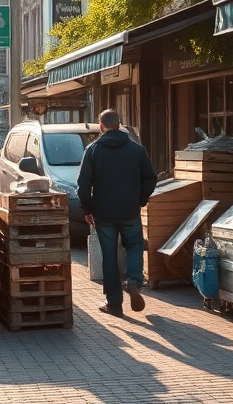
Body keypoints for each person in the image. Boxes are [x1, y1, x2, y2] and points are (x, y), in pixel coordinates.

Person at [77, 109, 157, 317]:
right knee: (134, 246)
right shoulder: (136, 150)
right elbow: (150, 178)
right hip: (130, 209)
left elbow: (83, 185)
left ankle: (114, 303)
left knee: (110, 256)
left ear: (101, 127)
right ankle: (134, 281)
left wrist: (88, 209)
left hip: (103, 212)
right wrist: (140, 199)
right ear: (120, 125)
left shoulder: (93, 150)